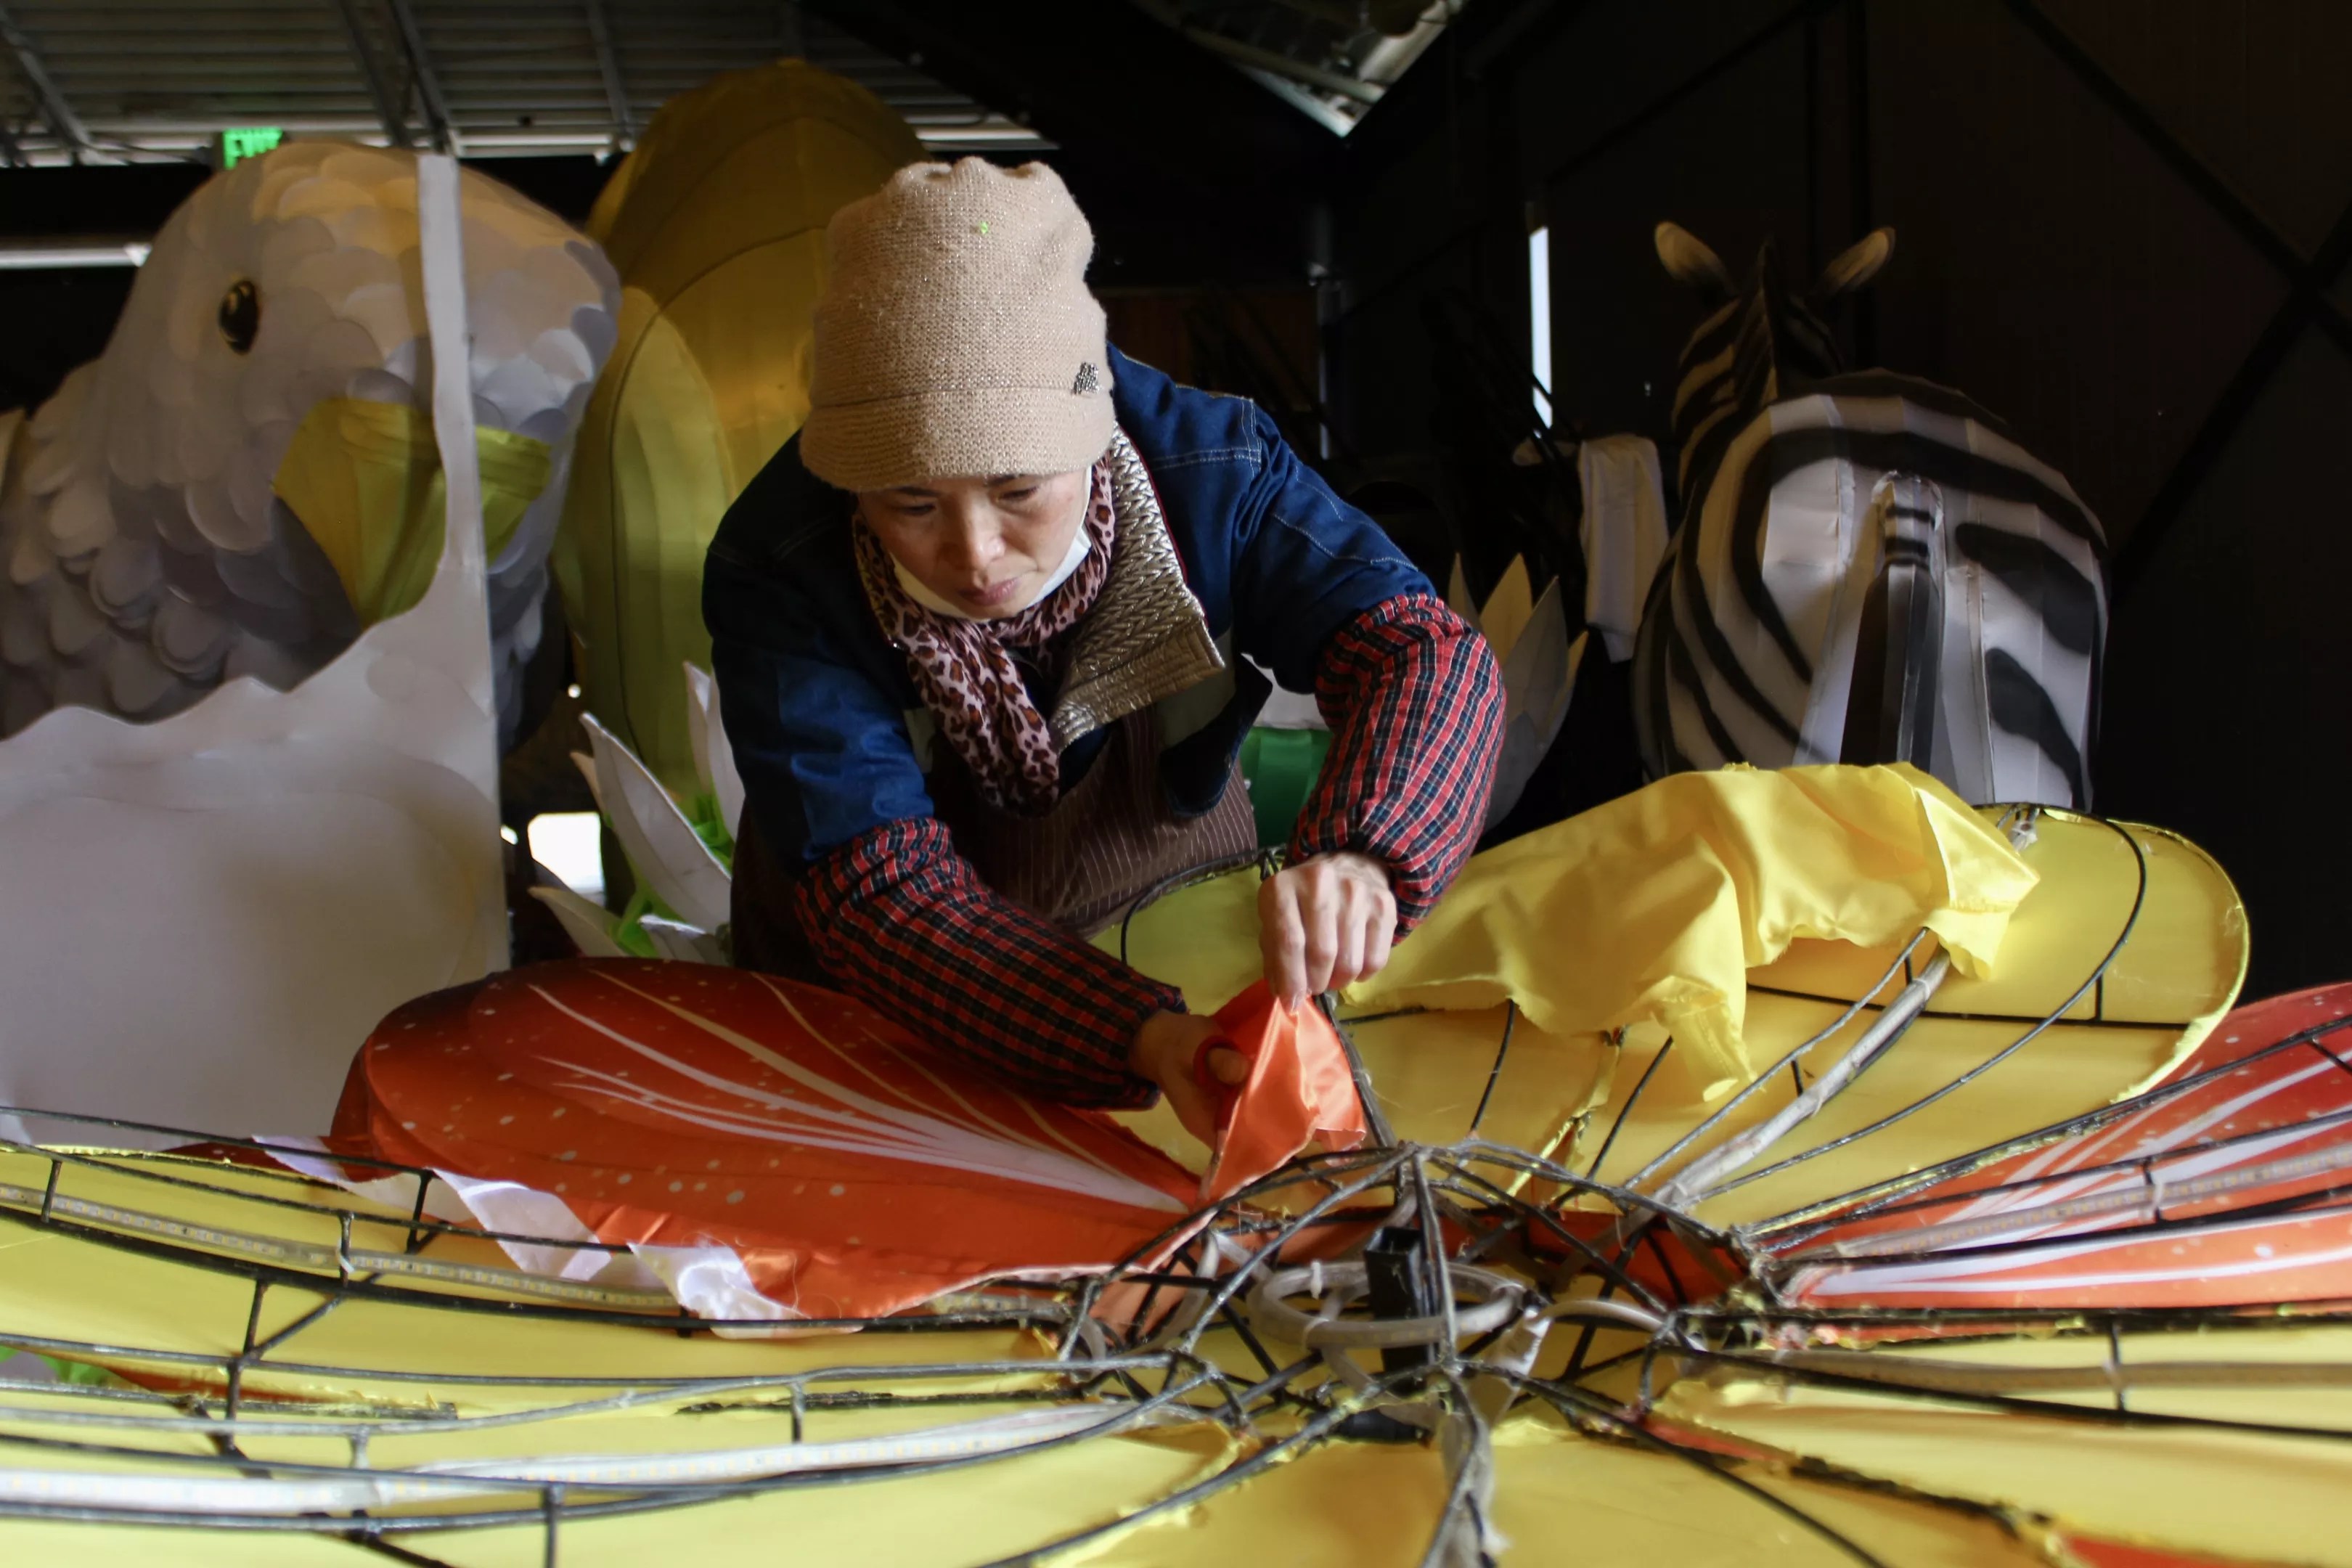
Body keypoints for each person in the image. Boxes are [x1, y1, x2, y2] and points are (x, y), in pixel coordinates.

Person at [703, 159, 1502, 1150]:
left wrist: (1366, 854)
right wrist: (1135, 1034)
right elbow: (880, 890)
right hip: (889, 991)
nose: (975, 555)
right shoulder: (778, 565)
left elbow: (1418, 650)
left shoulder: (1214, 469)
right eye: (911, 504)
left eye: (1017, 490)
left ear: (1093, 434)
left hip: (1176, 905)